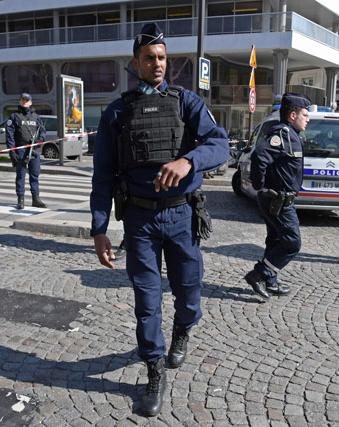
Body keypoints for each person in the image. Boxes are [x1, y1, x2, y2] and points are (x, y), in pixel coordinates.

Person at [90, 23, 228, 417]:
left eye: (162, 57)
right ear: (136, 63)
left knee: (189, 292)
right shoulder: (117, 112)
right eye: (149, 58)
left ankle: (182, 331)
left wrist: (187, 161)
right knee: (147, 303)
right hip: (139, 221)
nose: (157, 64)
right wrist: (99, 229)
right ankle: (154, 369)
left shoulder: (188, 103)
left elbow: (219, 145)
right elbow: (102, 176)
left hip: (182, 215)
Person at [244, 93, 311, 300]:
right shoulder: (283, 134)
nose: (308, 119)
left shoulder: (291, 134)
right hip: (278, 201)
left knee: (275, 241)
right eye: (305, 115)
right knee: (292, 243)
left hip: (282, 199)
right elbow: (259, 156)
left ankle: (270, 281)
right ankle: (259, 275)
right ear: (292, 115)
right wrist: (260, 186)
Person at [6, 93, 47, 209]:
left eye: (27, 100)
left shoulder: (36, 117)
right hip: (20, 149)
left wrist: (41, 138)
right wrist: (12, 151)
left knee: (35, 174)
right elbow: (10, 135)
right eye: (23, 100)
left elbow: (43, 131)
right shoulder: (14, 116)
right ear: (19, 101)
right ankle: (21, 199)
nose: (25, 102)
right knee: (21, 175)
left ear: (31, 102)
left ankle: (36, 198)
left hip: (33, 149)